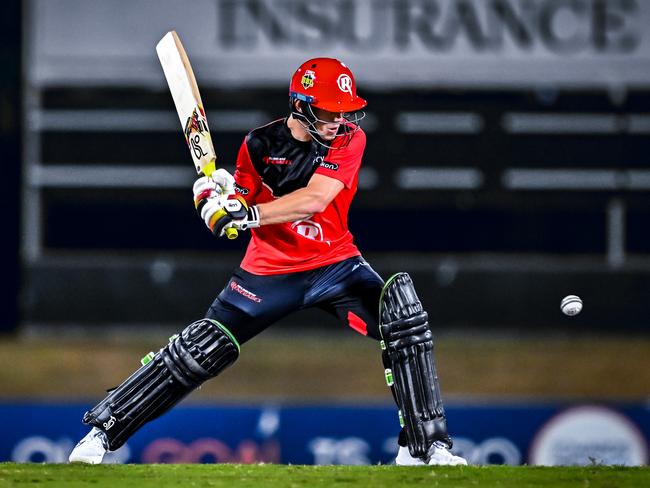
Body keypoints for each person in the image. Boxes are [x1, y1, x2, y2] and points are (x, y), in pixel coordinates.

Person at [68, 57, 467, 467]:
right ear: (301, 106)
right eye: (329, 110)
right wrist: (216, 200)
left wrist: (247, 214)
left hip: (335, 263)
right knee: (199, 349)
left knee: (400, 314)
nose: (339, 119)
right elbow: (237, 209)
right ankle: (101, 434)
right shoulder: (258, 144)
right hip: (268, 270)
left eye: (344, 109)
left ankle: (426, 447)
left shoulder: (350, 138)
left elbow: (314, 198)